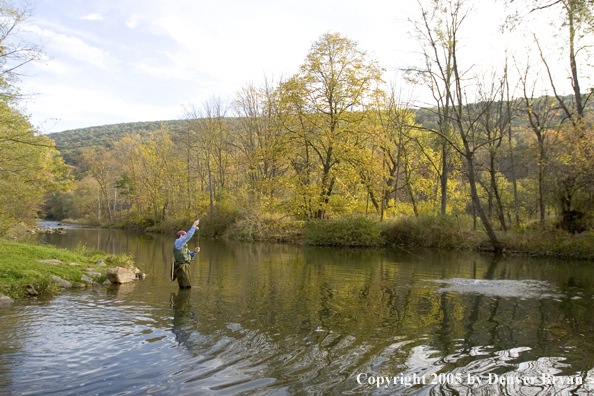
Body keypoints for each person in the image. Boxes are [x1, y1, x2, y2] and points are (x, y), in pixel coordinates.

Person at [173, 219, 200, 289]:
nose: (186, 238)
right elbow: (188, 236)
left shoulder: (183, 245)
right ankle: (182, 299)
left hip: (186, 267)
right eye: (184, 236)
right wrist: (194, 225)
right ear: (181, 235)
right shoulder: (178, 242)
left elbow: (189, 257)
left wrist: (194, 252)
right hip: (181, 267)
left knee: (187, 286)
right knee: (185, 287)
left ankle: (183, 299)